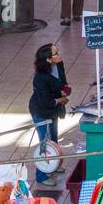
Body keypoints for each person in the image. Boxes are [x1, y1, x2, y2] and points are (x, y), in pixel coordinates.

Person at [29, 43, 71, 182]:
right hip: (42, 111)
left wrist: (64, 90)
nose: (59, 54)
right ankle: (42, 175)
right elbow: (45, 101)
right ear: (48, 59)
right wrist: (59, 100)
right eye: (55, 53)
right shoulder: (40, 78)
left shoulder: (57, 65)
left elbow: (62, 81)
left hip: (52, 111)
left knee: (53, 139)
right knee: (45, 143)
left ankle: (54, 163)